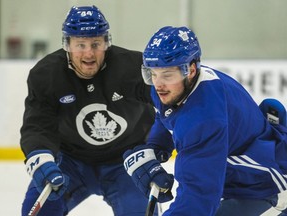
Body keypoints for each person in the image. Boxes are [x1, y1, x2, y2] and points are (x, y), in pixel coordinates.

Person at [123, 26, 287, 215]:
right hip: (232, 180)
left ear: (191, 70)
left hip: (266, 185)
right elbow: (166, 118)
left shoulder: (203, 117)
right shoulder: (172, 88)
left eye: (167, 74)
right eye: (152, 73)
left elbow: (197, 198)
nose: (158, 84)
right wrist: (155, 149)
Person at [20, 5, 157, 216]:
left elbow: (167, 105)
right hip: (70, 163)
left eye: (96, 44)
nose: (89, 53)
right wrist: (41, 157)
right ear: (67, 44)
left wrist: (157, 147)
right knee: (39, 211)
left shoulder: (134, 68)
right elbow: (37, 124)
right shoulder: (46, 74)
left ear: (106, 43)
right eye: (80, 44)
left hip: (126, 162)